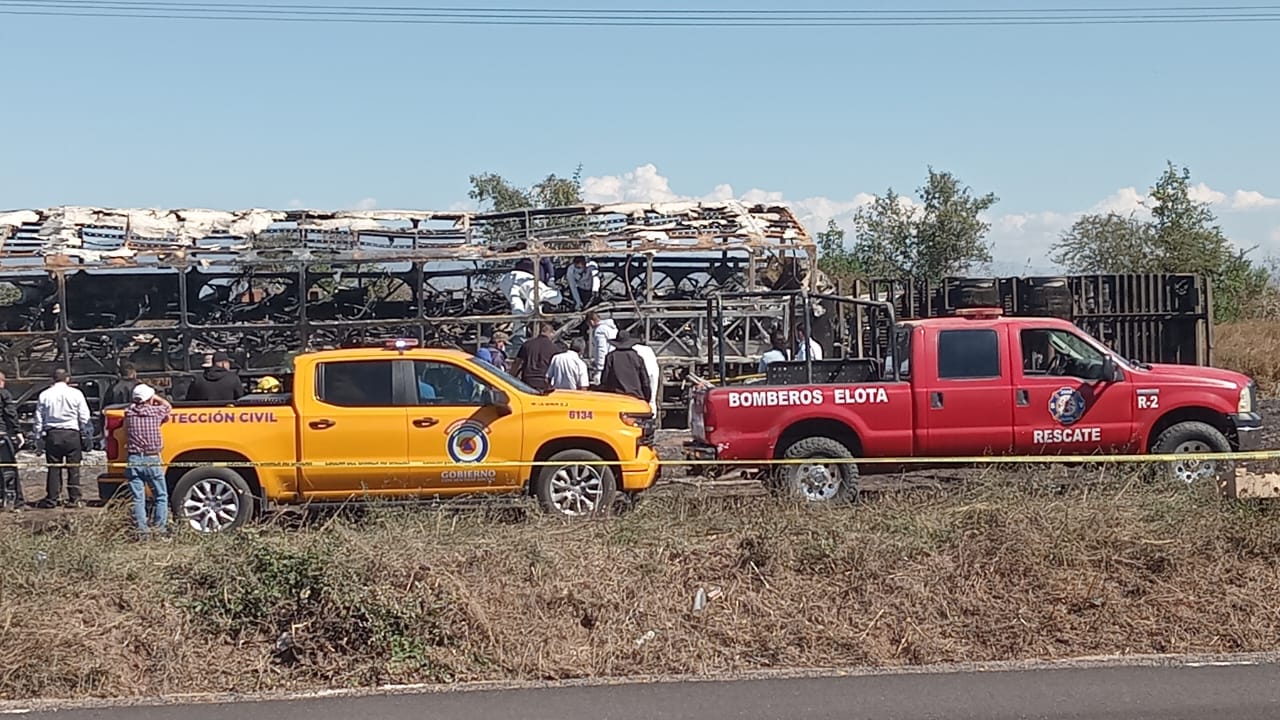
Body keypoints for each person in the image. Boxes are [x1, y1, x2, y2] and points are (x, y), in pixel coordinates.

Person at [32, 368, 91, 509]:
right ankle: (74, 498)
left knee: (53, 468)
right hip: (72, 434)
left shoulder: (45, 394)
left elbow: (38, 418)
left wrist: (38, 436)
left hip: (53, 434)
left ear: (53, 379)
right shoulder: (76, 394)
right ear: (67, 379)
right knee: (73, 468)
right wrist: (86, 433)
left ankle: (52, 498)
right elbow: (84, 415)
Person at [124, 384, 171, 538]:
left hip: (134, 458)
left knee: (138, 498)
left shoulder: (129, 413)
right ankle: (159, 529)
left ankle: (141, 531)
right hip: (152, 458)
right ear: (150, 399)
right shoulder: (156, 412)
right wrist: (156, 397)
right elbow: (168, 406)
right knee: (160, 496)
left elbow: (131, 406)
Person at [600, 330, 651, 403]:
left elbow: (604, 380)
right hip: (636, 397)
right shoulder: (637, 357)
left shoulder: (610, 357)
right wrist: (646, 398)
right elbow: (645, 382)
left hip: (616, 398)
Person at [0, 371, 25, 512]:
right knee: (9, 469)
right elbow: (10, 413)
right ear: (1, 382)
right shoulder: (3, 394)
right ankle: (16, 501)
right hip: (1, 435)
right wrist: (17, 431)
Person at [513, 323, 559, 392]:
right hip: (544, 382)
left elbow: (517, 363)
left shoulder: (527, 345)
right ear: (551, 333)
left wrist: (510, 377)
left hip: (527, 381)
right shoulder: (554, 348)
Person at [629, 333, 661, 417]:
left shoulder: (632, 350)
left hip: (639, 373)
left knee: (638, 399)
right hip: (653, 371)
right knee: (652, 399)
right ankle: (653, 418)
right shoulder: (648, 349)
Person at [585, 311, 618, 386]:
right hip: (614, 359)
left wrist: (599, 368)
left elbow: (601, 349)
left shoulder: (599, 331)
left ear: (591, 321)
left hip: (605, 364)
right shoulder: (610, 328)